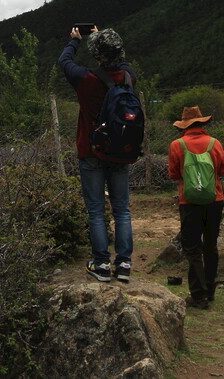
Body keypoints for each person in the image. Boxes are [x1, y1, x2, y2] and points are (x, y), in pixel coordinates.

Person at [58, 25, 136, 283]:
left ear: (96, 54)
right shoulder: (128, 78)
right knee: (122, 209)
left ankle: (101, 264)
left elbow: (64, 61)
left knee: (96, 211)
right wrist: (104, 37)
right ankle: (124, 264)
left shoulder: (86, 79)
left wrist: (75, 41)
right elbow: (121, 62)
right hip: (121, 150)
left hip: (91, 152)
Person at [167, 106, 224, 309]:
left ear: (184, 126)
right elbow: (223, 170)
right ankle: (210, 291)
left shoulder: (177, 145)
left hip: (189, 202)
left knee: (192, 248)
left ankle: (198, 295)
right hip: (214, 200)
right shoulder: (214, 143)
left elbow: (174, 174)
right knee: (210, 246)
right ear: (202, 123)